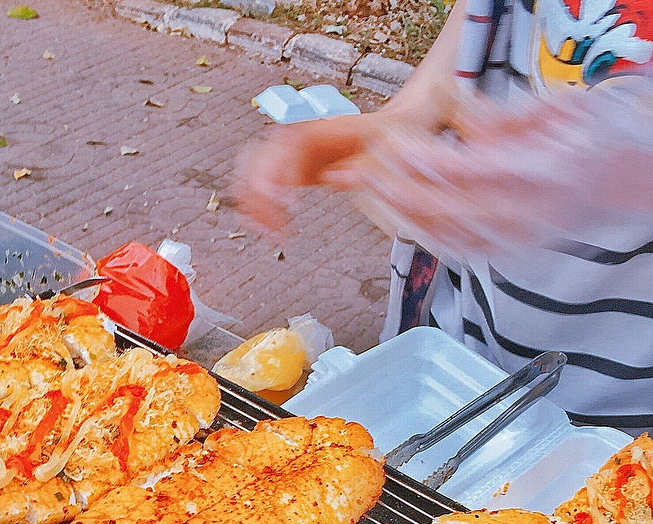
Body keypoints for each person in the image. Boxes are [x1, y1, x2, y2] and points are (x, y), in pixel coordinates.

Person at [236, 0, 653, 433]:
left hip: (620, 411)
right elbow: (441, 90)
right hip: (463, 356)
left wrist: (607, 165)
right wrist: (364, 134)